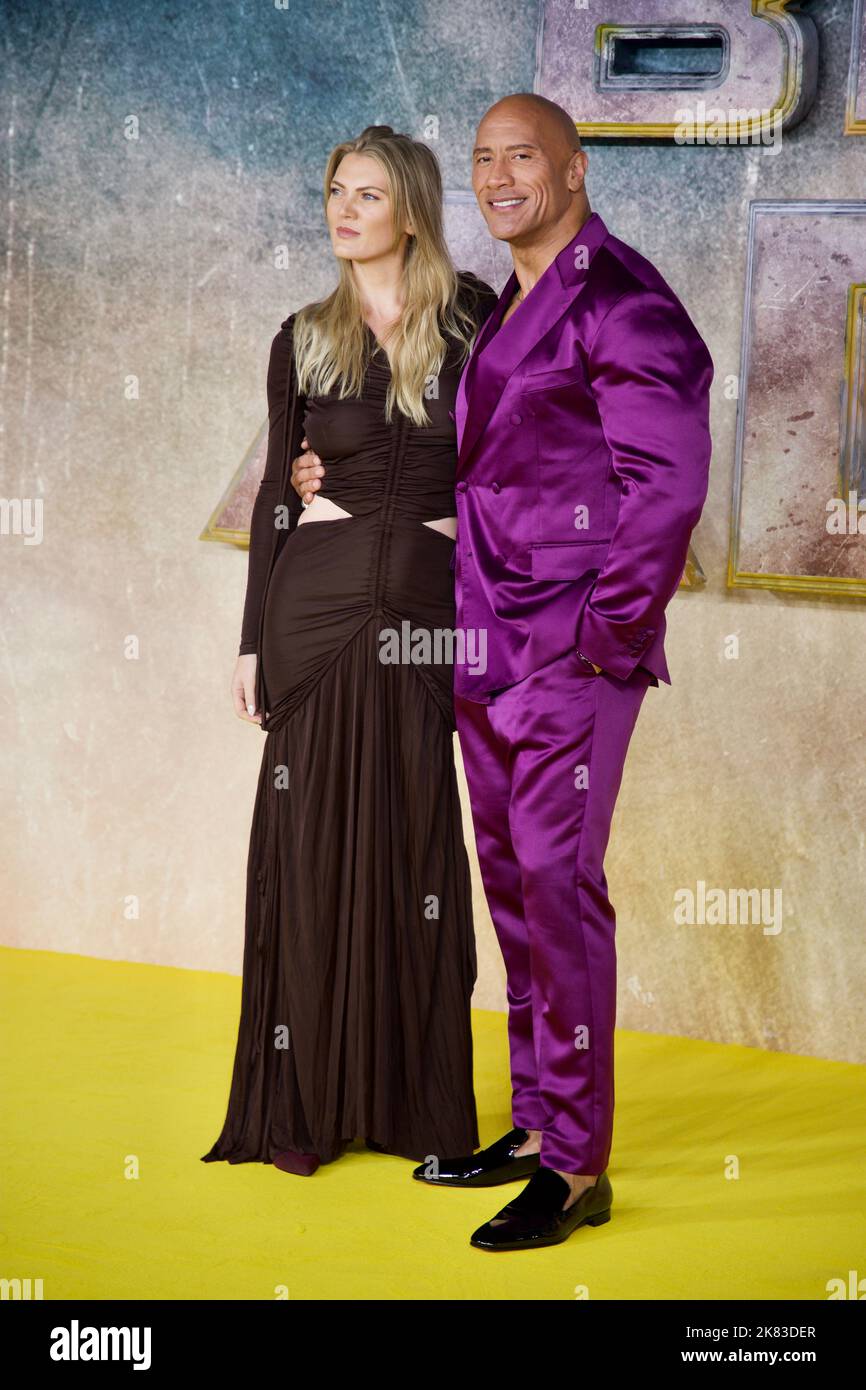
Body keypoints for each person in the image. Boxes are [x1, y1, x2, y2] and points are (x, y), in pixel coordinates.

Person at [292, 93, 713, 1247]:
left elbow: (665, 488)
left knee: (558, 888)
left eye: (520, 156)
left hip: (568, 653)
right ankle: (534, 1119)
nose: (496, 175)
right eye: (481, 159)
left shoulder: (622, 299)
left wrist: (600, 639)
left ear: (574, 171)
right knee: (515, 884)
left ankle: (575, 1166)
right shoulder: (512, 300)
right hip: (485, 642)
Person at [201, 124, 499, 1175]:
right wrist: (250, 645)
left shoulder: (477, 320)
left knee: (414, 841)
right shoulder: (303, 336)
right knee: (310, 849)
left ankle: (412, 1107)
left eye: (367, 194)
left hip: (425, 610)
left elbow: (515, 464)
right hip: (312, 611)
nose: (344, 210)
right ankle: (308, 1103)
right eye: (335, 190)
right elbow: (273, 510)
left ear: (409, 210)